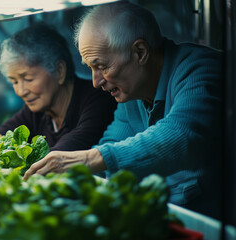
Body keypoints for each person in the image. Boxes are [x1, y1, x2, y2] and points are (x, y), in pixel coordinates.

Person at [24, 1, 223, 219]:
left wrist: (90, 160)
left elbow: (181, 134)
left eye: (101, 66)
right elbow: (112, 142)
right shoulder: (132, 92)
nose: (95, 81)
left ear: (140, 52)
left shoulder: (202, 68)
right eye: (90, 68)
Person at [0, 24, 117, 151]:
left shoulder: (98, 100)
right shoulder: (36, 111)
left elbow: (67, 152)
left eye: (29, 79)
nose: (21, 91)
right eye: (15, 82)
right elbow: (2, 134)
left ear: (60, 71)